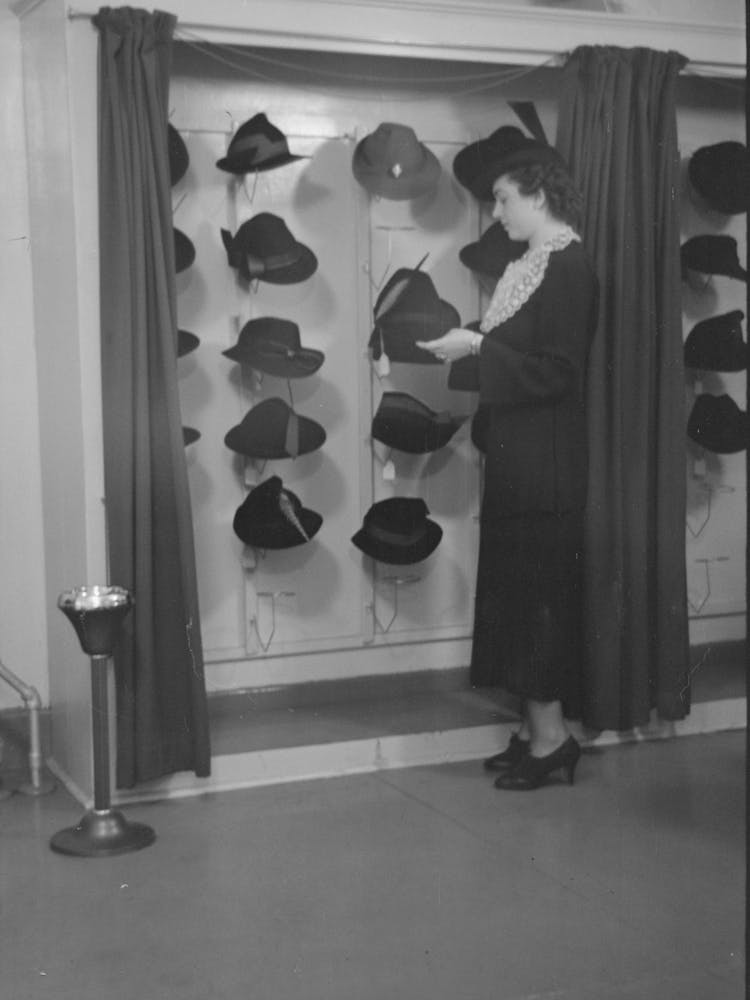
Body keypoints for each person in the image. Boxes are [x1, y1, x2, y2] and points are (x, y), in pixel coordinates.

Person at [417, 138, 599, 791]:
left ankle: (554, 741)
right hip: (524, 463)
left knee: (537, 600)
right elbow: (520, 356)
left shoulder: (570, 266)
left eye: (502, 198)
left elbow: (558, 373)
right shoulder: (533, 264)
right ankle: (532, 732)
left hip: (547, 469)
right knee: (518, 596)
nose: (496, 213)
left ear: (539, 194)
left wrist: (476, 345)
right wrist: (468, 346)